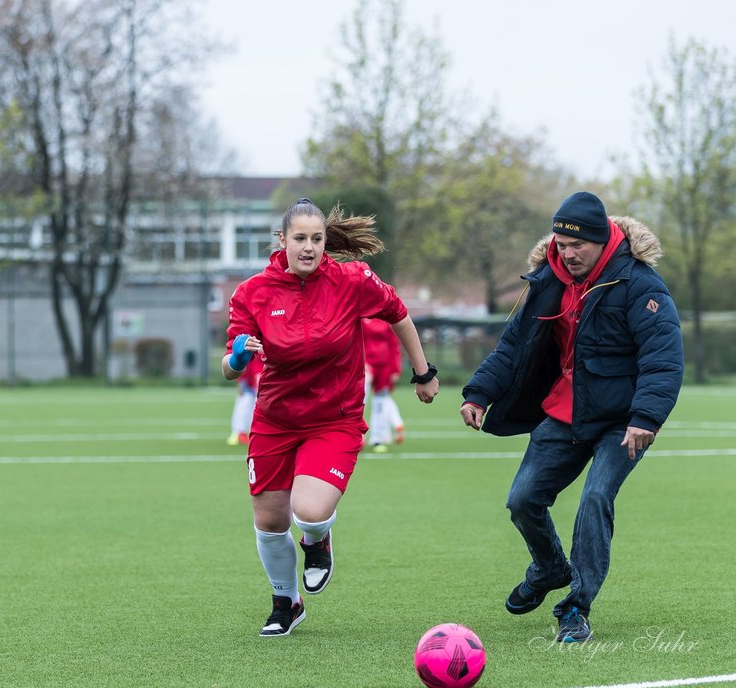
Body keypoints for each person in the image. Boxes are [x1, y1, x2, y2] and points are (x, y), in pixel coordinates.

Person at [459, 191, 683, 643]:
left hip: (623, 422)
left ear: (602, 241)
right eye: (561, 243)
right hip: (564, 413)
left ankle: (576, 607)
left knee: (595, 499)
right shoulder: (547, 280)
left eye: (577, 244)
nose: (568, 252)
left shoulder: (641, 285)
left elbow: (664, 357)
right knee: (522, 500)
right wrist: (480, 393)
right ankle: (549, 569)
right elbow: (513, 344)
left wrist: (646, 417)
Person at [224, 198, 440, 637]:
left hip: (334, 418)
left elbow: (399, 315)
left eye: (316, 239)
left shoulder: (353, 280)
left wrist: (424, 372)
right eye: (299, 239)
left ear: (326, 242)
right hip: (275, 419)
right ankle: (285, 602)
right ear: (281, 240)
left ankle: (317, 540)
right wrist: (239, 355)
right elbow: (229, 367)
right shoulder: (252, 293)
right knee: (269, 520)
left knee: (309, 511)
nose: (308, 247)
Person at [362, 316, 405, 451]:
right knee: (359, 400)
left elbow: (394, 345)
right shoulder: (360, 316)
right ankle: (356, 437)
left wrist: (395, 369)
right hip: (365, 365)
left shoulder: (387, 319)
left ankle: (378, 438)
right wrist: (360, 361)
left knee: (380, 402)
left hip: (384, 366)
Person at [226, 355, 264, 446]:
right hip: (248, 378)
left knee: (251, 405)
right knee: (244, 403)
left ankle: (245, 432)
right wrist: (241, 381)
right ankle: (239, 432)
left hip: (255, 376)